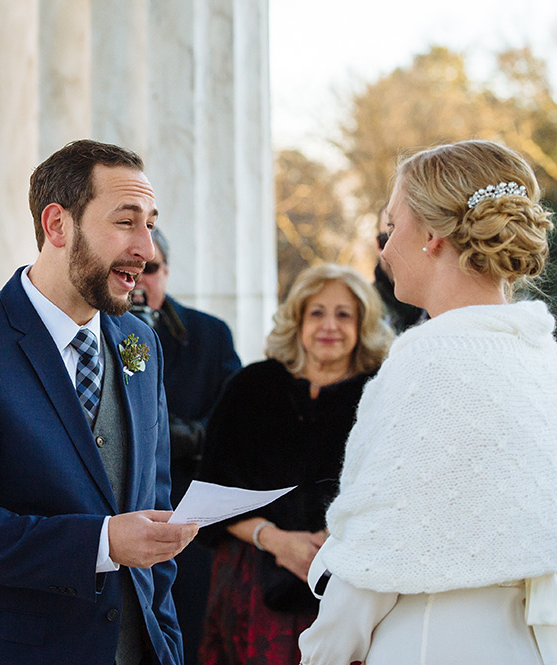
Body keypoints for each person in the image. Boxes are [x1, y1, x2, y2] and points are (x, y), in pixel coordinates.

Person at [0, 139, 199, 665]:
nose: (146, 249)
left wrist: (166, 645)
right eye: (126, 221)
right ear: (57, 225)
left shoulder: (141, 343)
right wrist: (103, 541)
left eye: (149, 224)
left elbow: (155, 514)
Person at [299, 140, 557, 665]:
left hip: (428, 642)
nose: (385, 249)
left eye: (392, 228)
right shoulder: (540, 359)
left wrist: (321, 652)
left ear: (433, 237)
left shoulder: (428, 364)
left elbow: (376, 555)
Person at [197, 263, 393, 665]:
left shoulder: (381, 394)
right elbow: (210, 492)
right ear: (298, 319)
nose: (329, 326)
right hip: (252, 581)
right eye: (316, 312)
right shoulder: (252, 385)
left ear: (363, 325)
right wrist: (275, 539)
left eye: (344, 314)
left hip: (349, 583)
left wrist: (331, 541)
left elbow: (394, 489)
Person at [133, 228, 241, 664]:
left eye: (152, 269)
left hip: (190, 518)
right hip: (112, 520)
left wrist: (185, 435)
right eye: (133, 269)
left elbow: (235, 421)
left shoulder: (210, 334)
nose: (142, 280)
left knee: (189, 636)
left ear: (167, 272)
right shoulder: (92, 331)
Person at [372, 203, 425, 332]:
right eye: (385, 240)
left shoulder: (447, 307)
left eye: (405, 240)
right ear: (377, 244)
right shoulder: (361, 307)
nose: (391, 251)